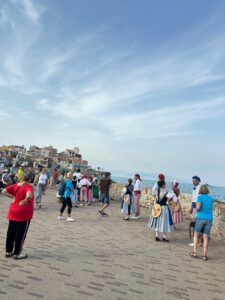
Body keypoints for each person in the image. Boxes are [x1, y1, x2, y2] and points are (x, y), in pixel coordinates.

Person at [2, 171, 34, 259]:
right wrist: (25, 200)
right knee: (20, 233)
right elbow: (29, 195)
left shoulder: (16, 185)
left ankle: (8, 251)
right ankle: (17, 253)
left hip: (13, 211)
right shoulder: (28, 186)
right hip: (23, 213)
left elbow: (4, 191)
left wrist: (13, 197)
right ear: (30, 178)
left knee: (10, 232)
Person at [189, 185, 214, 261]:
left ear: (200, 190)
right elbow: (212, 208)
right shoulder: (211, 198)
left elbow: (198, 208)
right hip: (209, 218)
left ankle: (194, 252)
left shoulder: (199, 197)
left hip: (201, 218)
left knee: (196, 234)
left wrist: (196, 208)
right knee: (206, 237)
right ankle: (204, 256)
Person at [148, 174, 175, 242]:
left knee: (157, 221)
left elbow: (153, 191)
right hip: (164, 208)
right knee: (164, 222)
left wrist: (155, 199)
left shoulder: (156, 191)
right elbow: (173, 195)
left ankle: (157, 236)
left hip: (157, 207)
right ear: (164, 185)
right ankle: (164, 237)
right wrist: (168, 201)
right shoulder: (167, 192)